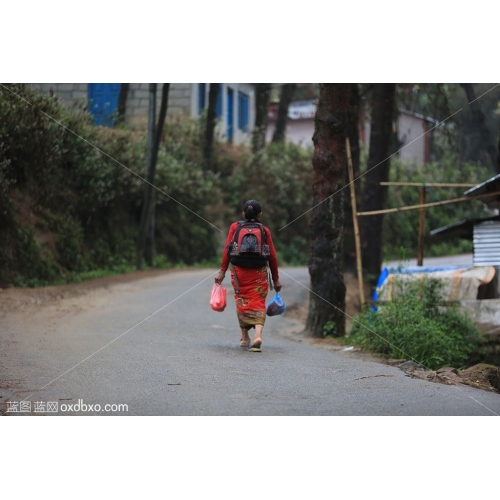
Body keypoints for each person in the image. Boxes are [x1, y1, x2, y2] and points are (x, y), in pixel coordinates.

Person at [215, 200, 281, 352]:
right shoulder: (265, 230)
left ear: (243, 214)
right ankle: (258, 335)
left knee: (242, 301)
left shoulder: (234, 227)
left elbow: (227, 250)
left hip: (239, 273)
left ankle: (245, 338)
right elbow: (273, 257)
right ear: (260, 215)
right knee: (258, 301)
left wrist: (222, 271)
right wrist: (276, 279)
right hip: (259, 273)